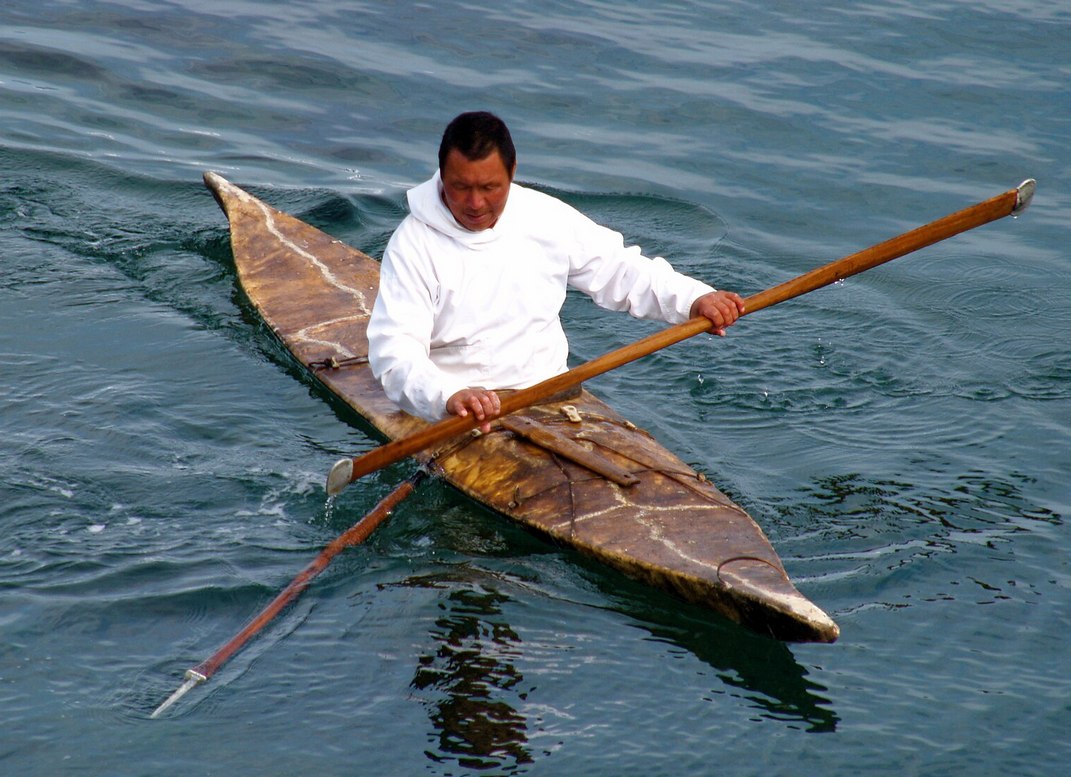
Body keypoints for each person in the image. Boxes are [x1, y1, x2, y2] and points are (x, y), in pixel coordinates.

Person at [367, 111, 744, 432]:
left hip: (553, 396)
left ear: (512, 172)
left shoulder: (545, 216)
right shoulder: (412, 246)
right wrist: (448, 396)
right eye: (460, 187)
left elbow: (620, 269)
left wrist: (694, 299)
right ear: (442, 175)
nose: (475, 203)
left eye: (489, 187)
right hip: (459, 414)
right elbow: (396, 353)